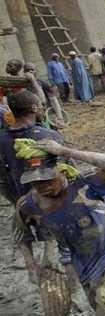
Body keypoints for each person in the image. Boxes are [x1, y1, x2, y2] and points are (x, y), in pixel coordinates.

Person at [14, 92, 105, 316]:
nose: (42, 186)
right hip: (79, 263)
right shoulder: (28, 205)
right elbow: (21, 236)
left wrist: (66, 150)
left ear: (62, 171)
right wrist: (31, 265)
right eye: (35, 182)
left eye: (47, 179)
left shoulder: (84, 185)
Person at [0, 90, 59, 282]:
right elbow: (64, 169)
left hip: (15, 195)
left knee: (20, 218)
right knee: (50, 224)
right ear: (33, 108)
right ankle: (50, 260)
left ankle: (30, 265)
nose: (42, 107)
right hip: (45, 197)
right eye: (40, 105)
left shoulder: (1, 139)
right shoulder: (48, 136)